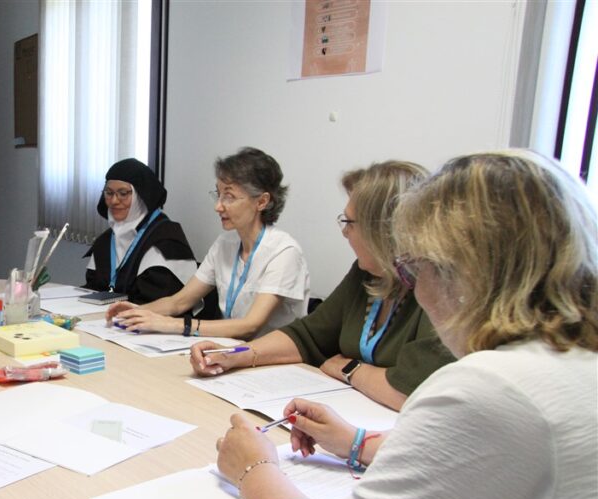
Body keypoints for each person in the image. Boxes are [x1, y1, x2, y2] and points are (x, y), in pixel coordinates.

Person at [217, 150, 598, 499]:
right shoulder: (570, 365)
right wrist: (359, 443)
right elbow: (505, 470)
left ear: (462, 270)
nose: (414, 286)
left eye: (413, 268)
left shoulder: (491, 389)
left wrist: (254, 468)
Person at [191, 161, 453, 410]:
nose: (344, 232)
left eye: (349, 223)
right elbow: (308, 335)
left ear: (382, 230)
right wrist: (235, 354)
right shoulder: (366, 274)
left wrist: (350, 369)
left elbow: (412, 390)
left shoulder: (439, 289)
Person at [106, 147, 309, 340]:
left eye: (229, 197)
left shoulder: (284, 252)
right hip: (228, 347)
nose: (218, 206)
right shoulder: (225, 244)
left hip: (270, 356)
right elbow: (179, 302)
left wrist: (173, 325)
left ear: (262, 202)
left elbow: (250, 325)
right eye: (218, 195)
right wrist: (135, 312)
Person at [84, 158, 200, 304]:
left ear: (141, 196)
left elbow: (161, 302)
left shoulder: (166, 240)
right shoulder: (105, 240)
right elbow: (93, 289)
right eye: (109, 193)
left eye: (123, 193)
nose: (114, 201)